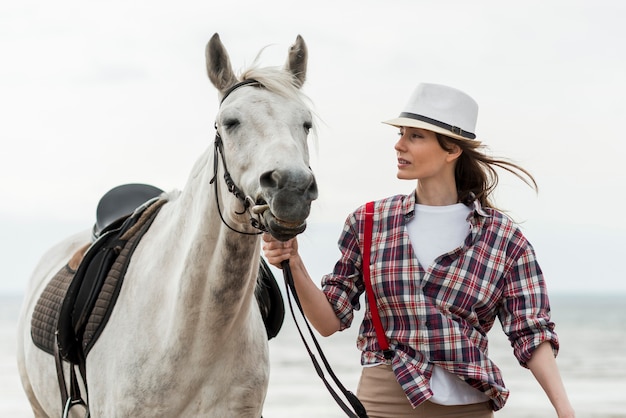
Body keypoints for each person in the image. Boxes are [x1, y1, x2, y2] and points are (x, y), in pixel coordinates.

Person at [262, 83, 575, 418]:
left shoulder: (502, 238)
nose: (399, 144)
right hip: (384, 404)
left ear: (452, 149)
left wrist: (564, 410)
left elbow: (530, 333)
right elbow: (328, 321)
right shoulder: (368, 223)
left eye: (415, 136)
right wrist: (293, 261)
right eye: (401, 133)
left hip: (469, 408)